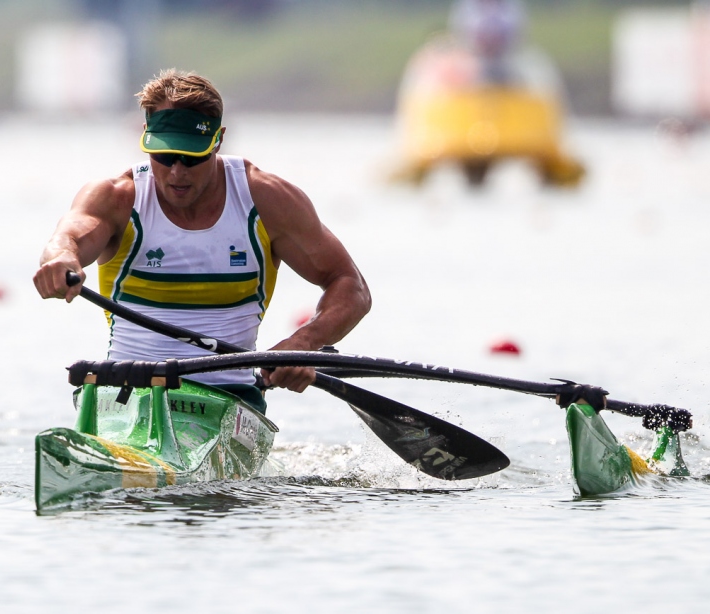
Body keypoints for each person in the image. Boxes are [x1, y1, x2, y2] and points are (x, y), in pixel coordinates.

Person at [33, 69, 371, 411]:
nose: (177, 172)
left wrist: (304, 342)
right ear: (146, 136)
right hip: (125, 394)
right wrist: (61, 259)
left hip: (230, 399)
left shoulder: (268, 201)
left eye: (192, 157)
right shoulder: (116, 198)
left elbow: (350, 285)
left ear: (219, 140)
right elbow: (69, 236)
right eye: (164, 156)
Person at [449, 0, 526, 84]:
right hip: (474, 59)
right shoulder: (466, 6)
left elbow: (519, 34)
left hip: (507, 58)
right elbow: (459, 35)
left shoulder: (512, 5)